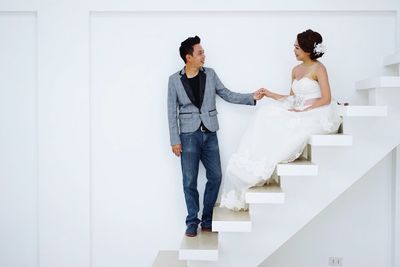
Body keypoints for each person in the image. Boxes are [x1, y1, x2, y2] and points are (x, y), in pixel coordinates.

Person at [219, 29, 342, 211]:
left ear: (308, 50)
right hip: (298, 108)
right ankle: (251, 165)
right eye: (294, 47)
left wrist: (303, 111)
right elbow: (292, 98)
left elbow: (325, 98)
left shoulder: (319, 68)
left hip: (315, 111)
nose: (294, 50)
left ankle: (265, 164)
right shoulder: (295, 70)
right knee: (265, 113)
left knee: (287, 124)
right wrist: (269, 94)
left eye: (297, 48)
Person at [167, 36, 264, 236]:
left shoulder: (210, 74)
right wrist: (174, 140)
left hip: (210, 133)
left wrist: (250, 97)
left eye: (203, 52)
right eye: (200, 52)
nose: (204, 55)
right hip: (188, 136)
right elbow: (171, 111)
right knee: (189, 180)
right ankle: (192, 221)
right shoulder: (174, 80)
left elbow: (226, 94)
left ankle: (207, 219)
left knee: (216, 176)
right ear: (188, 57)